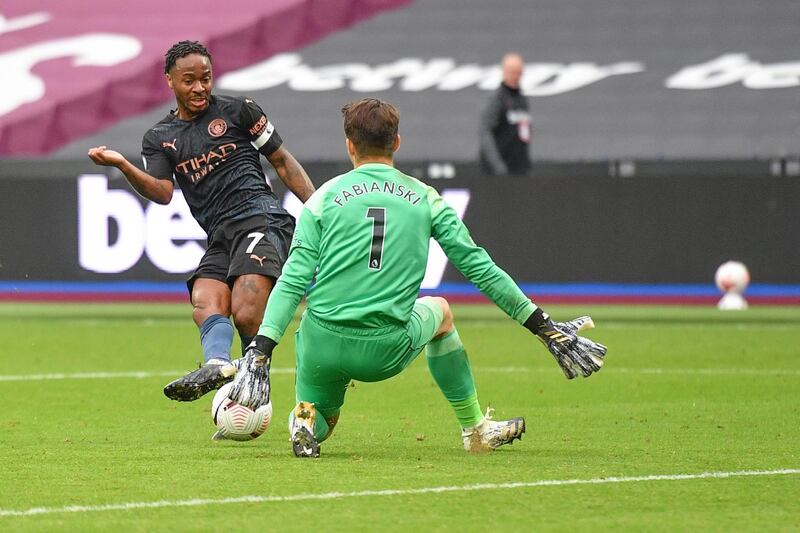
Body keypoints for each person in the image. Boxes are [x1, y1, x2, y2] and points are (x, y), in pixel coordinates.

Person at [167, 98, 606, 456]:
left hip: (321, 342)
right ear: (397, 141)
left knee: (322, 415)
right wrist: (544, 328)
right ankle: (474, 429)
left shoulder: (321, 201)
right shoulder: (425, 199)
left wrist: (260, 352)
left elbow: (293, 281)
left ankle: (302, 418)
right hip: (385, 348)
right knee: (442, 311)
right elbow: (481, 270)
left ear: (349, 146)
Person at [88, 41, 315, 402]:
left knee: (245, 307)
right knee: (205, 300)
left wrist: (318, 209)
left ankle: (254, 378)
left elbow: (283, 162)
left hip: (261, 219)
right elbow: (163, 193)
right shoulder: (160, 138)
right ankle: (219, 365)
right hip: (220, 234)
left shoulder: (240, 111)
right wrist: (122, 164)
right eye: (189, 80)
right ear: (169, 81)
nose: (199, 88)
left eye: (205, 79)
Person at [479, 52, 532, 176]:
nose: (515, 76)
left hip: (519, 169)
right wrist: (498, 166)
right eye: (512, 72)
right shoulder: (496, 100)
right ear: (504, 72)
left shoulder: (522, 100)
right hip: (500, 171)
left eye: (518, 72)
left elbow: (524, 133)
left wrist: (526, 164)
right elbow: (485, 133)